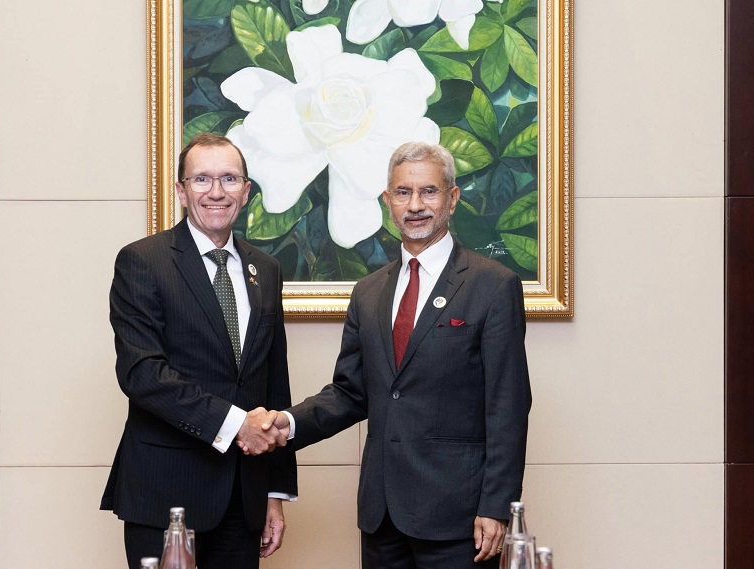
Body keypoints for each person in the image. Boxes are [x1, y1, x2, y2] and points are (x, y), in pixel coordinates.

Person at [248, 141, 532, 568]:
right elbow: (350, 392)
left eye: (429, 191)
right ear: (388, 201)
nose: (415, 205)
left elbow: (508, 406)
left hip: (459, 516)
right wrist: (285, 424)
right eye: (403, 192)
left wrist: (497, 506)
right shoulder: (369, 292)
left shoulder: (492, 285)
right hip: (382, 516)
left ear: (452, 199)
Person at [100, 133, 296, 569]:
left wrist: (275, 494)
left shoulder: (265, 269)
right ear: (181, 190)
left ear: (246, 192)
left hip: (244, 498)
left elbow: (272, 382)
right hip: (166, 493)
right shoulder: (143, 262)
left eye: (229, 179)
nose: (216, 191)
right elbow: (142, 374)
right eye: (202, 179)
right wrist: (235, 425)